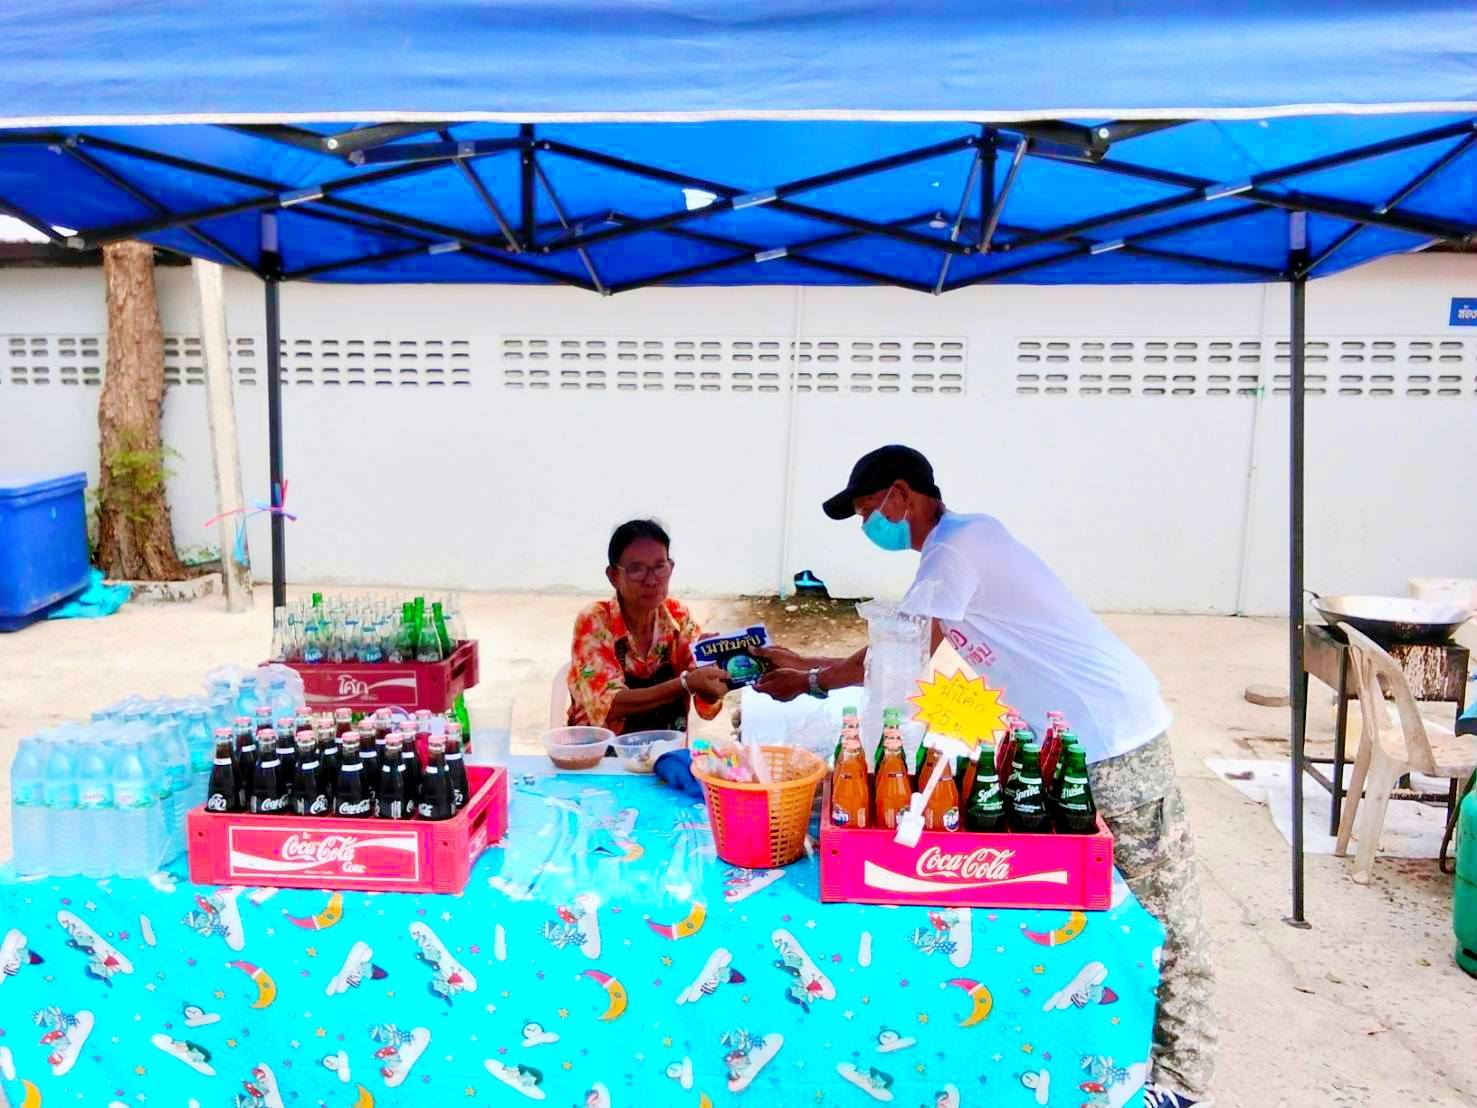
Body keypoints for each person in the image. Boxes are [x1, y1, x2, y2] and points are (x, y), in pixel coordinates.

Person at [754, 445, 1217, 1108]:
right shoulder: (959, 548)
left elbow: (905, 649)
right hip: (1066, 746)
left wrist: (811, 681)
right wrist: (807, 665)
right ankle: (1115, 1057)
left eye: (867, 512)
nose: (866, 528)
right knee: (1097, 908)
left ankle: (1180, 1082)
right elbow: (903, 645)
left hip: (1117, 740)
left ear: (900, 495)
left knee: (1163, 911)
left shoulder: (956, 548)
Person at [566, 519, 730, 737]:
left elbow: (707, 708)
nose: (651, 581)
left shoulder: (678, 615)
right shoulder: (596, 620)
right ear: (614, 576)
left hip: (666, 750)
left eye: (660, 567)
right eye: (637, 570)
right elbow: (609, 706)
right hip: (598, 753)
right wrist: (685, 684)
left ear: (671, 568)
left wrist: (710, 671)